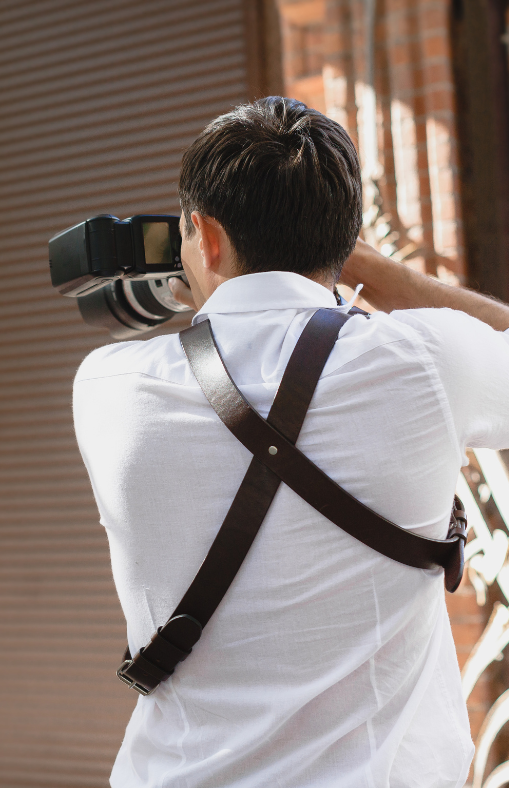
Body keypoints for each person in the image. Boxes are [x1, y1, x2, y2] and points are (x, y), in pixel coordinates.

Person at [73, 97, 509, 788]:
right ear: (343, 239)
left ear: (204, 237)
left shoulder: (108, 384)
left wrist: (213, 296)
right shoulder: (427, 361)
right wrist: (383, 277)